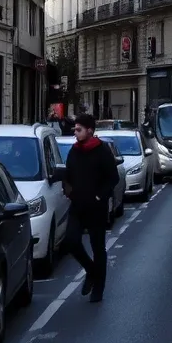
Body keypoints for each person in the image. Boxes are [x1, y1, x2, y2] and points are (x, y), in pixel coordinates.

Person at [62, 113, 119, 303]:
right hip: (77, 206)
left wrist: (98, 196)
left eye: (79, 130)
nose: (75, 133)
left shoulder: (102, 151)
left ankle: (98, 289)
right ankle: (91, 270)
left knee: (98, 248)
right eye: (75, 130)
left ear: (90, 131)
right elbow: (68, 174)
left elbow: (113, 178)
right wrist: (68, 189)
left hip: (96, 208)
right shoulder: (74, 151)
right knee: (71, 240)